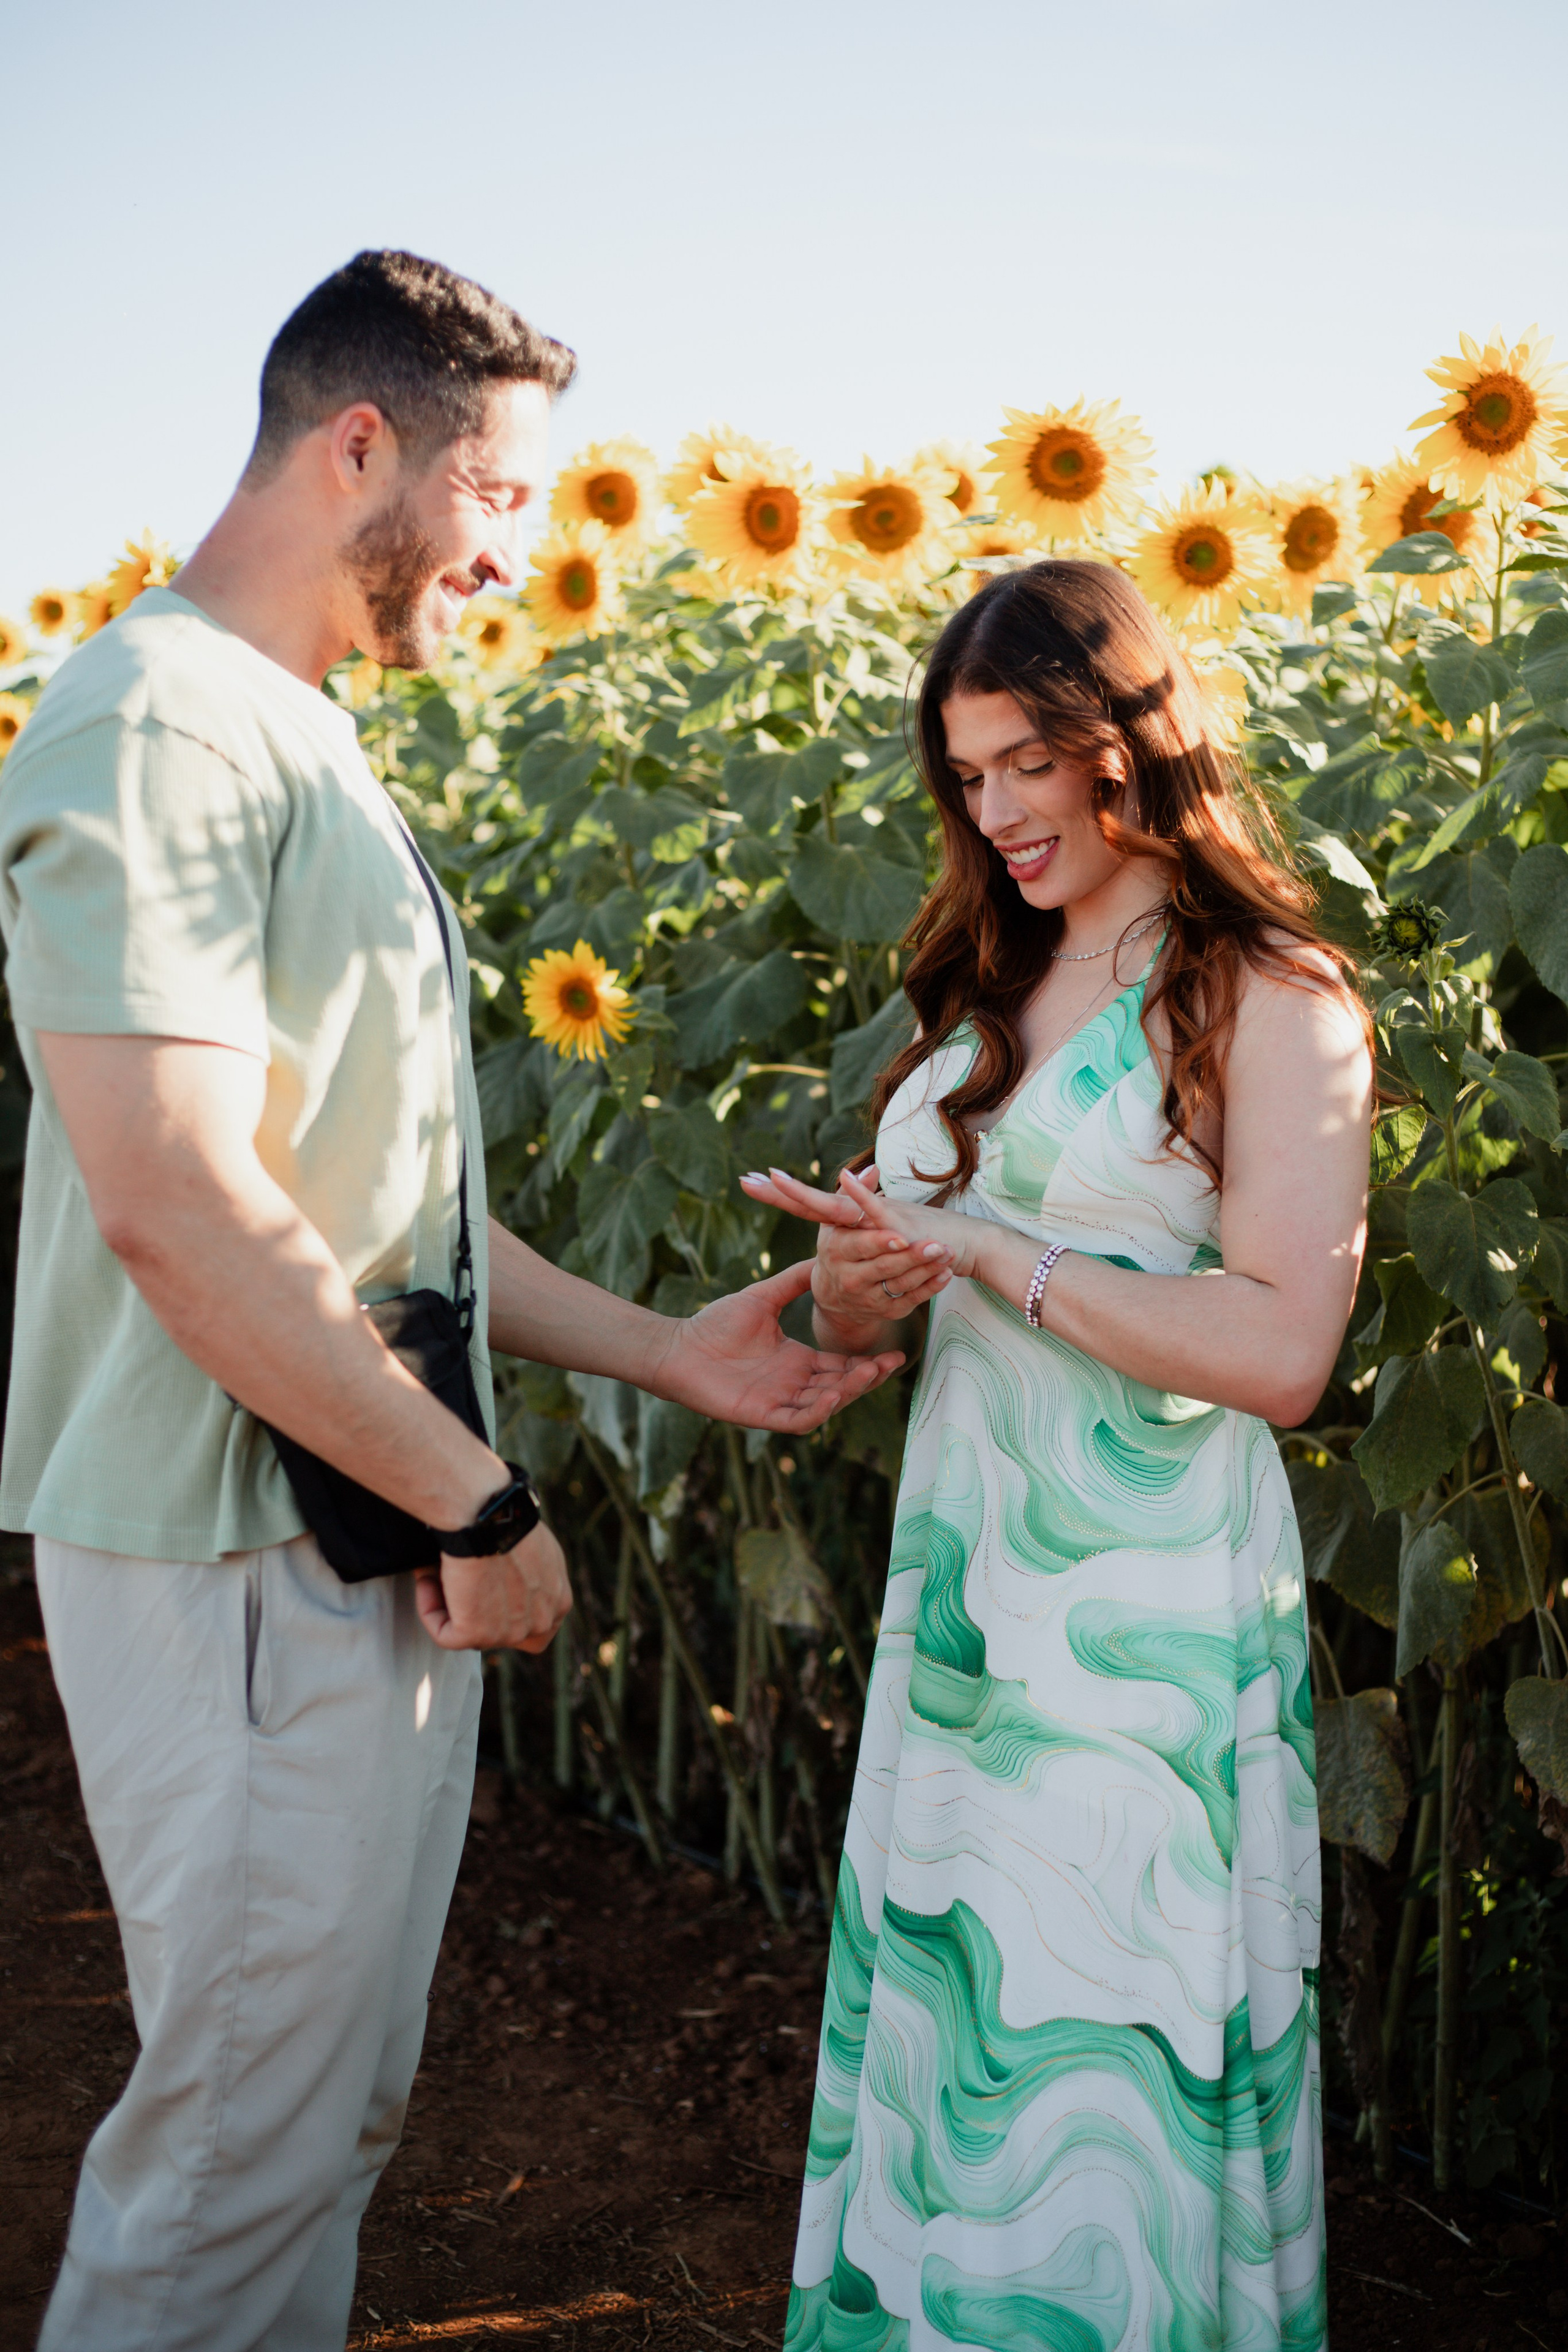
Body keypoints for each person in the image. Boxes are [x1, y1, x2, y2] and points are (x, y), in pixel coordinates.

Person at [0, 249, 900, 2352]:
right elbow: (181, 1213)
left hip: (329, 1517)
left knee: (315, 2125)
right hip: (252, 1539)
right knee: (230, 2158)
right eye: (507, 499)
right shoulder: (155, 720)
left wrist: (669, 1349)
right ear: (360, 445)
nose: (521, 557)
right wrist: (485, 1509)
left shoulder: (281, 728)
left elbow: (380, 1212)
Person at [742, 559, 1372, 2352]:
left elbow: (1282, 1352)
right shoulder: (995, 972)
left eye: (1032, 760)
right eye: (968, 774)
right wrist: (859, 1287)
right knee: (963, 2022)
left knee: (1101, 2042)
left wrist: (1001, 1258)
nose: (999, 811)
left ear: (1135, 740)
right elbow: (895, 1326)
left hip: (1144, 1618)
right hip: (971, 1594)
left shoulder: (1272, 994)